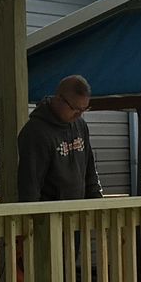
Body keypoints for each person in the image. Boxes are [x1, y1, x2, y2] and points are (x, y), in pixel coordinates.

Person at [17, 74, 103, 202]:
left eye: (84, 109)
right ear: (59, 98)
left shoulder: (80, 125)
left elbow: (90, 170)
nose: (79, 114)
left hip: (79, 213)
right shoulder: (35, 132)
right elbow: (30, 185)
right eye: (75, 108)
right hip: (50, 215)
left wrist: (97, 203)